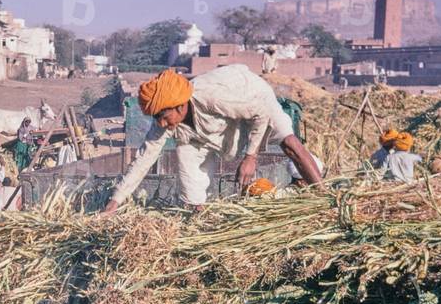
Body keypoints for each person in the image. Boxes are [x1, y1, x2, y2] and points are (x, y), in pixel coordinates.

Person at [101, 66, 322, 213]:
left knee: (289, 141)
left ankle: (326, 196)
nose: (160, 123)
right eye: (156, 118)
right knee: (186, 157)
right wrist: (114, 202)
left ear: (179, 106)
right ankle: (198, 217)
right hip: (210, 130)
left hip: (253, 98)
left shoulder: (212, 97)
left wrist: (251, 156)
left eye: (163, 116)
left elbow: (260, 112)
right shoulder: (166, 120)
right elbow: (143, 160)